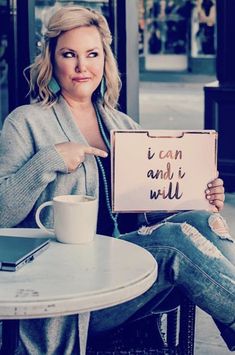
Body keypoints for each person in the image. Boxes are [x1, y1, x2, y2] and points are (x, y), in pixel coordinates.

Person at [0, 5, 234, 354]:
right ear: (52, 59)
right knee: (174, 242)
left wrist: (198, 197)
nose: (82, 66)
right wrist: (48, 160)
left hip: (129, 277)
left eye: (92, 54)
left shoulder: (123, 126)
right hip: (73, 292)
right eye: (69, 54)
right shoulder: (26, 122)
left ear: (104, 59)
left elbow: (154, 214)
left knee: (203, 220)